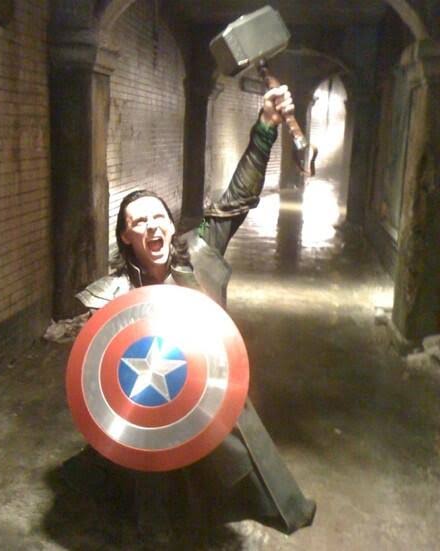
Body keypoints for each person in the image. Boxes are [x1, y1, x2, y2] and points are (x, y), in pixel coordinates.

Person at [73, 85, 315, 542]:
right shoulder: (117, 295)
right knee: (151, 493)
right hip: (150, 407)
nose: (152, 226)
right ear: (125, 237)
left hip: (207, 391)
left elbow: (237, 197)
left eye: (158, 217)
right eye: (138, 222)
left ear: (171, 224)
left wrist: (265, 127)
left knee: (218, 473)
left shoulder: (200, 253)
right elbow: (99, 374)